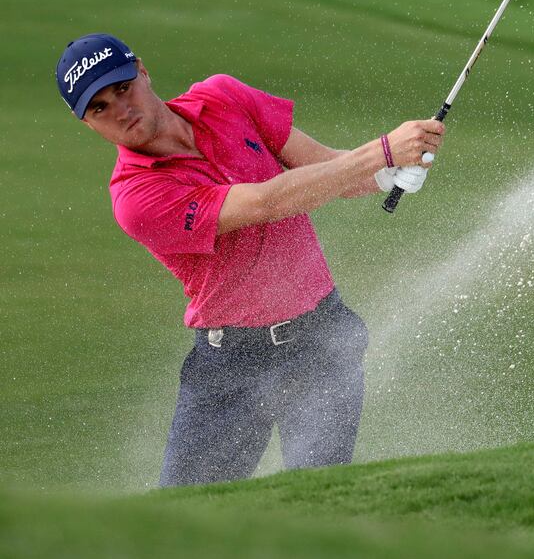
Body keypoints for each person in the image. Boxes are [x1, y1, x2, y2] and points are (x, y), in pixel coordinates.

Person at [55, 33, 445, 486]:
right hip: (230, 367)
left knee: (318, 501)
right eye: (99, 108)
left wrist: (388, 172)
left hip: (321, 342)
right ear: (86, 122)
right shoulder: (135, 198)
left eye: (122, 88)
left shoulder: (223, 96)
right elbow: (264, 203)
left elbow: (324, 170)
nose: (120, 110)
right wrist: (377, 155)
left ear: (142, 70)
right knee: (189, 523)